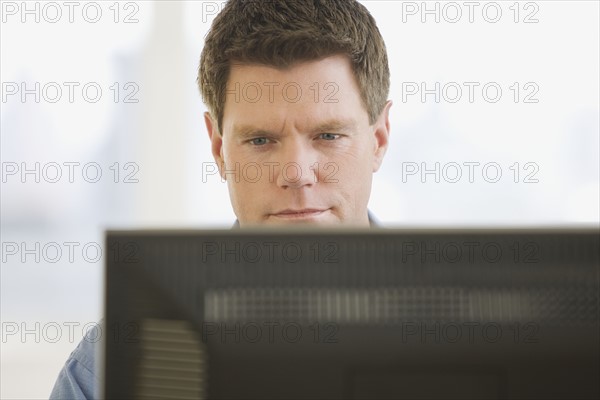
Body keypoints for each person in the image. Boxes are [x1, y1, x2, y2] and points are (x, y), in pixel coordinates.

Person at [50, 0, 391, 398]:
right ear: (219, 148)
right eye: (260, 140)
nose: (296, 174)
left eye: (328, 136)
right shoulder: (112, 364)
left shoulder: (467, 325)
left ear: (378, 140)